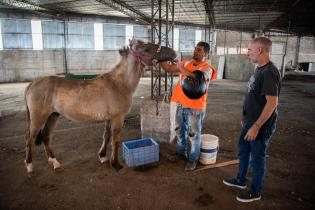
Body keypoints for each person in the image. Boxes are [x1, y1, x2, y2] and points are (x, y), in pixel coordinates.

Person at [223, 37, 281, 202]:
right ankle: (241, 180)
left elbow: (272, 104)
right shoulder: (259, 69)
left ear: (260, 51)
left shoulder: (270, 72)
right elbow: (254, 97)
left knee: (257, 159)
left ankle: (255, 191)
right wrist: (246, 119)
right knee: (243, 151)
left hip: (260, 126)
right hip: (250, 122)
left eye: (250, 50)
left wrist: (256, 126)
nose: (247, 53)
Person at [160, 42, 217, 171]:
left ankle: (193, 160)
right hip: (180, 104)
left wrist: (179, 66)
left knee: (194, 135)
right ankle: (181, 154)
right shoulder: (185, 63)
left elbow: (195, 77)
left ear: (205, 54)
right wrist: (160, 58)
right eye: (195, 49)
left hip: (195, 107)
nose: (195, 51)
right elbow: (169, 69)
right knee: (179, 131)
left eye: (199, 50)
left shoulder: (207, 68)